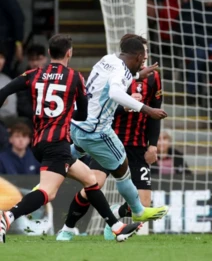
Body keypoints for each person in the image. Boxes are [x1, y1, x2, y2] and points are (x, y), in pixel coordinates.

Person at [0, 35, 142, 244]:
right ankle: (7, 216)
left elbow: (4, 91)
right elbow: (84, 115)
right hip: (56, 143)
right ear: (70, 53)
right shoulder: (75, 78)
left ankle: (116, 227)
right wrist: (68, 114)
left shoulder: (33, 73)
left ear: (49, 53)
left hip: (39, 141)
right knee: (48, 192)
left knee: (90, 180)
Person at [57, 34, 163, 241]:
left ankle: (54, 166)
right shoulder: (122, 72)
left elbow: (115, 82)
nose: (144, 61)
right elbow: (115, 91)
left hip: (82, 126)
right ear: (138, 56)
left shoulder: (108, 60)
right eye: (143, 57)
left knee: (78, 170)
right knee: (108, 176)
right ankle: (133, 213)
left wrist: (139, 76)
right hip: (99, 133)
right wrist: (145, 109)